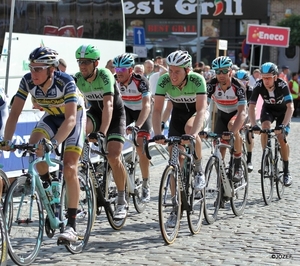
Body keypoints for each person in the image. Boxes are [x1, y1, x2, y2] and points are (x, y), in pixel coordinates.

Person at [1, 47, 86, 242]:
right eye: (31, 68)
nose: (33, 73)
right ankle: (49, 188)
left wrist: (54, 143)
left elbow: (71, 119)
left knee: (70, 165)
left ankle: (71, 226)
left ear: (51, 70)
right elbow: (14, 113)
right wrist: (7, 140)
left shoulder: (66, 81)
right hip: (52, 117)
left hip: (73, 118)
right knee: (33, 147)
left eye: (38, 69)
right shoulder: (27, 80)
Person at [152, 50, 207, 227]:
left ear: (187, 71)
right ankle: (176, 207)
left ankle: (198, 169)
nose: (173, 75)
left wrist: (192, 135)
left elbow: (201, 110)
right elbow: (157, 110)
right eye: (170, 70)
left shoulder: (198, 80)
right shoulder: (164, 80)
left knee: (190, 129)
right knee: (175, 159)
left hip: (195, 115)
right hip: (177, 115)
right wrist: (157, 132)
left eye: (177, 71)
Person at [74, 44, 128, 219]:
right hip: (96, 113)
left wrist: (102, 133)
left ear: (96, 63)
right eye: (80, 62)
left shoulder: (104, 75)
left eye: (87, 62)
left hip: (115, 115)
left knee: (113, 156)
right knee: (80, 128)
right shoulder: (77, 78)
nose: (82, 66)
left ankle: (122, 200)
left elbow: (109, 105)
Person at [113, 53, 152, 203]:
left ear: (130, 70)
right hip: (126, 110)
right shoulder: (114, 81)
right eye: (117, 68)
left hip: (142, 111)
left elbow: (147, 105)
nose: (119, 71)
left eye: (123, 68)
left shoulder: (141, 81)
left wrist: (137, 126)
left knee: (141, 146)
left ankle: (146, 183)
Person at [248, 62, 294, 187]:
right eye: (263, 77)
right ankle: (266, 158)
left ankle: (286, 171)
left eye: (268, 77)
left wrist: (283, 125)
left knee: (281, 137)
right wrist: (253, 124)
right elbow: (251, 106)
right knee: (265, 128)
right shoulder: (258, 84)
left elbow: (290, 107)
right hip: (268, 110)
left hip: (283, 112)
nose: (266, 80)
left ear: (275, 77)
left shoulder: (282, 85)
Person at [207, 56, 247, 183]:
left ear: (230, 71)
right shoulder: (212, 84)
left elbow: (242, 112)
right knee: (220, 147)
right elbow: (203, 108)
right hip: (222, 114)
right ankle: (222, 180)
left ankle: (238, 164)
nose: (221, 74)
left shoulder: (238, 86)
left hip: (237, 114)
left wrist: (232, 132)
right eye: (217, 71)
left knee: (231, 127)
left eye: (224, 71)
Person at [234, 69, 254, 172]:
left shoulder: (251, 91)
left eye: (244, 81)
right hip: (237, 113)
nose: (241, 83)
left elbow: (252, 109)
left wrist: (250, 122)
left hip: (249, 113)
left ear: (247, 82)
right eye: (238, 80)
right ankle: (234, 157)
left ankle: (249, 159)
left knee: (249, 133)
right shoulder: (234, 89)